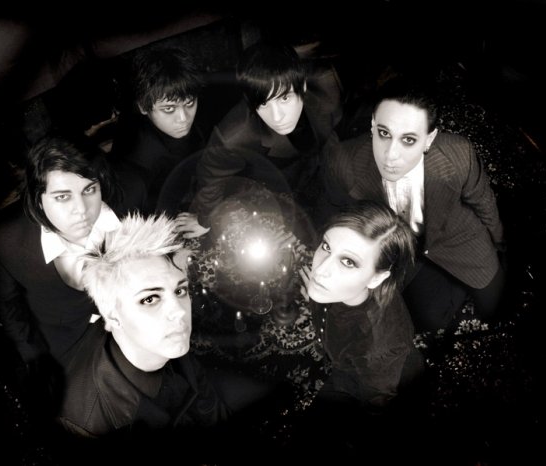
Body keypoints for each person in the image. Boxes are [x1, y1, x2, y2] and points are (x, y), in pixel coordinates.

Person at [321, 76, 506, 332]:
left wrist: (498, 241)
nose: (390, 156)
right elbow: (335, 214)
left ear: (429, 139)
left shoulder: (458, 156)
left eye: (408, 140)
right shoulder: (344, 161)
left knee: (496, 308)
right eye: (384, 133)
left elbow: (482, 200)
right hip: (400, 251)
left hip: (457, 237)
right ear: (373, 124)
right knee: (424, 320)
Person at [0, 135, 141, 416]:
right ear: (39, 198)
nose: (81, 210)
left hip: (134, 320)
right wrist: (35, 358)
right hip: (66, 342)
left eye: (89, 189)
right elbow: (9, 305)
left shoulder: (131, 197)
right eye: (62, 197)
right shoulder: (9, 242)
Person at [57, 212, 229, 443]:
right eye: (149, 299)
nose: (178, 311)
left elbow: (207, 401)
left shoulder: (164, 338)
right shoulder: (91, 425)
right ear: (112, 316)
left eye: (180, 290)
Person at [290, 200, 424, 463]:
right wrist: (315, 300)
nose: (321, 270)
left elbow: (376, 404)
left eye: (348, 262)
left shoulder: (377, 350)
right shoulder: (337, 287)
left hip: (360, 379)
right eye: (326, 247)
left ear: (376, 278)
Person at [193, 41, 343, 231]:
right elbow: (210, 177)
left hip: (325, 157)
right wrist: (205, 220)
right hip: (278, 183)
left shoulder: (327, 86)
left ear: (303, 86)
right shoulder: (233, 136)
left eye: (284, 98)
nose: (277, 117)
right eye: (263, 104)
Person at [109, 46, 210, 221]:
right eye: (169, 109)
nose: (183, 118)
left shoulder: (199, 112)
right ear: (143, 107)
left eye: (189, 103)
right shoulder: (135, 169)